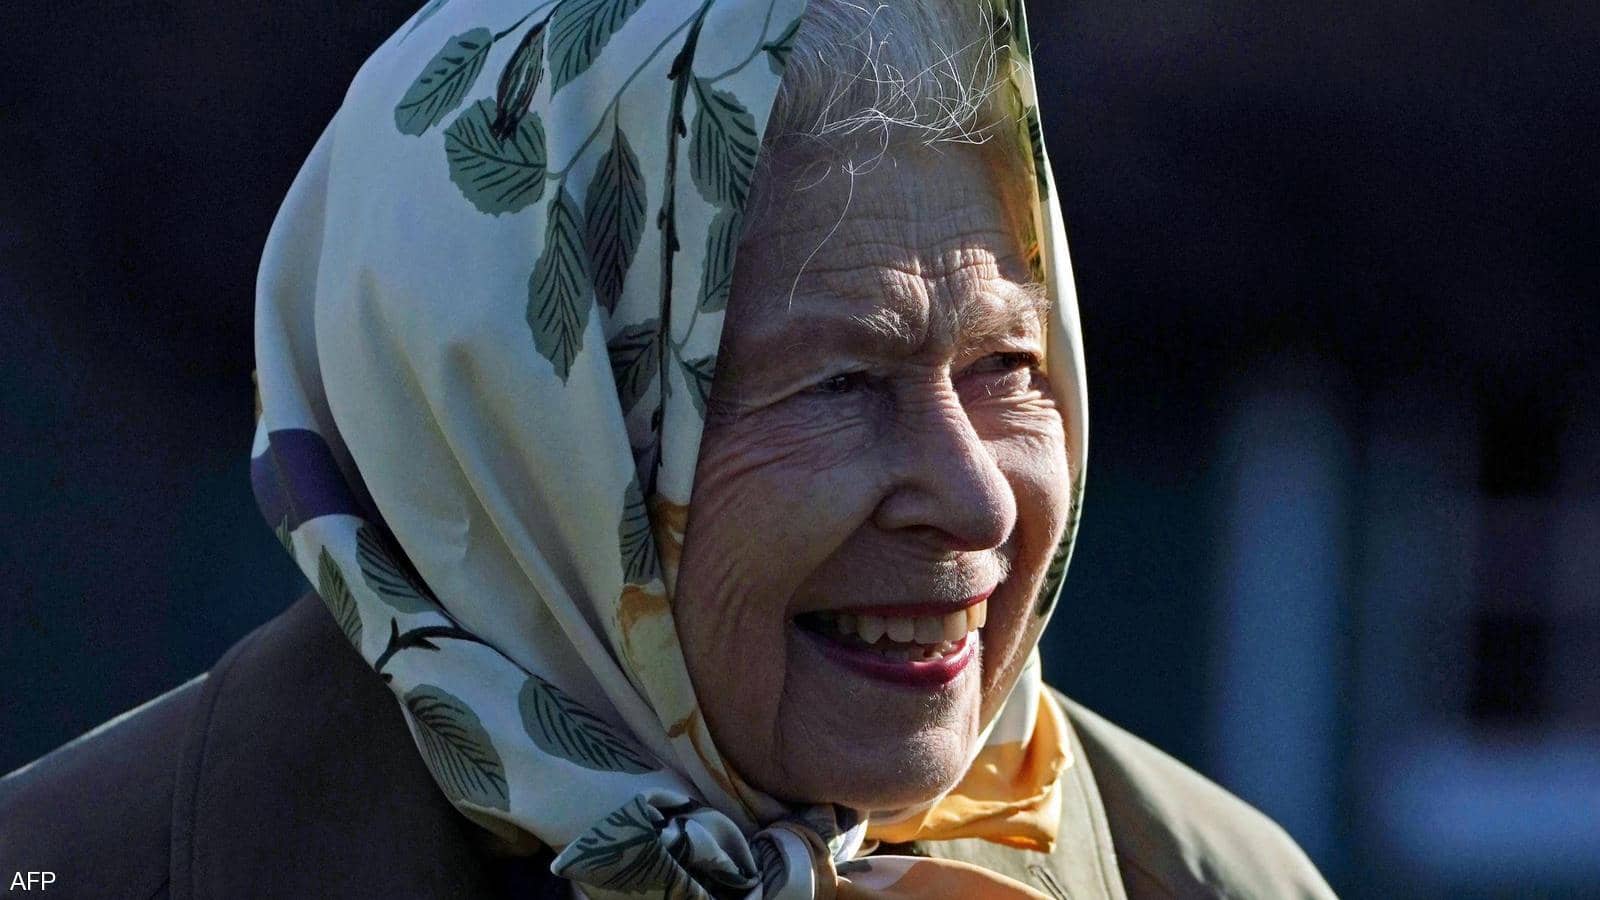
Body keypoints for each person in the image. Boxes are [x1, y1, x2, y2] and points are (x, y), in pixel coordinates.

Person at [0, 0, 1337, 896]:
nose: (977, 497)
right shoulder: (89, 866)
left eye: (1006, 370)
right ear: (523, 440)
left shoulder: (1209, 882)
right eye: (841, 383)